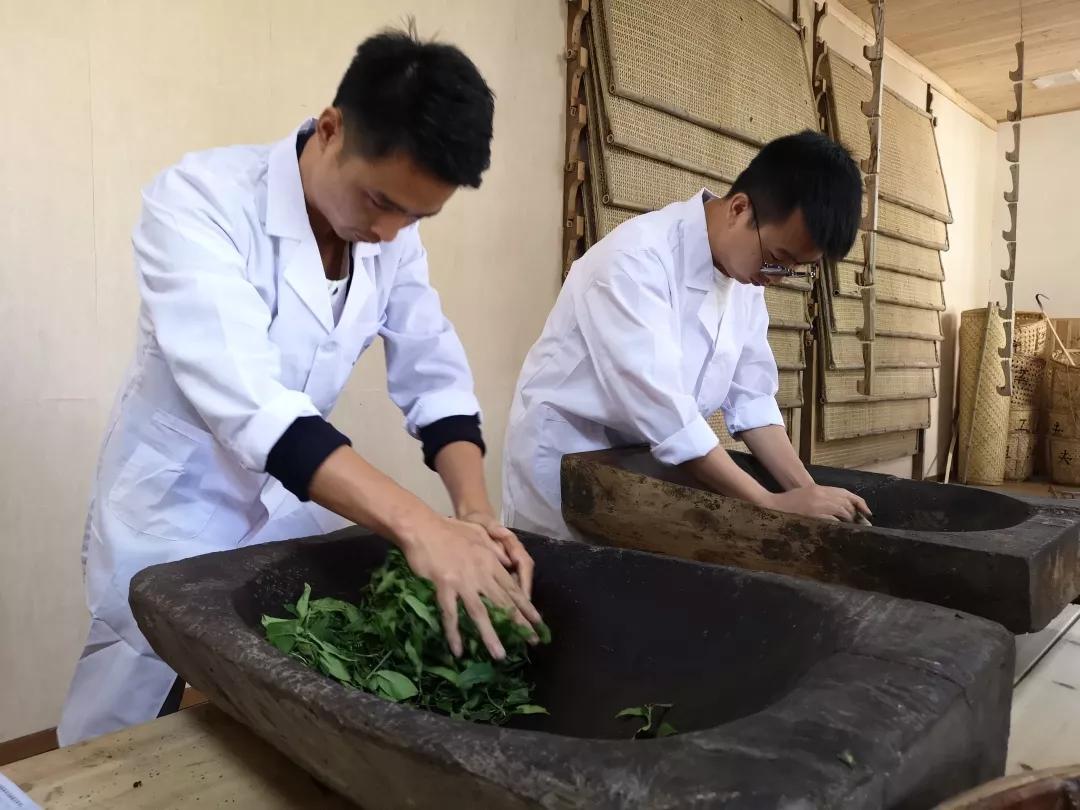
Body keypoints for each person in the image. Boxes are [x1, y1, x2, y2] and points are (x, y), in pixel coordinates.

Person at [58, 27, 542, 746]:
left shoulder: (393, 235)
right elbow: (252, 402)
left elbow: (433, 371)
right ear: (331, 128)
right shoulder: (199, 202)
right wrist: (418, 524)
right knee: (128, 700)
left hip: (285, 495)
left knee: (281, 688)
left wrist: (469, 510)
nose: (390, 231)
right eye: (380, 201)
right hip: (173, 502)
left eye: (417, 216)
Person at [503, 130, 872, 541]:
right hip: (563, 459)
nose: (776, 279)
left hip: (637, 465)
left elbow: (750, 397)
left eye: (793, 269)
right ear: (739, 209)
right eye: (778, 259)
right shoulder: (635, 261)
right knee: (560, 592)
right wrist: (769, 504)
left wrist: (804, 489)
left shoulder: (743, 279)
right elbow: (666, 416)